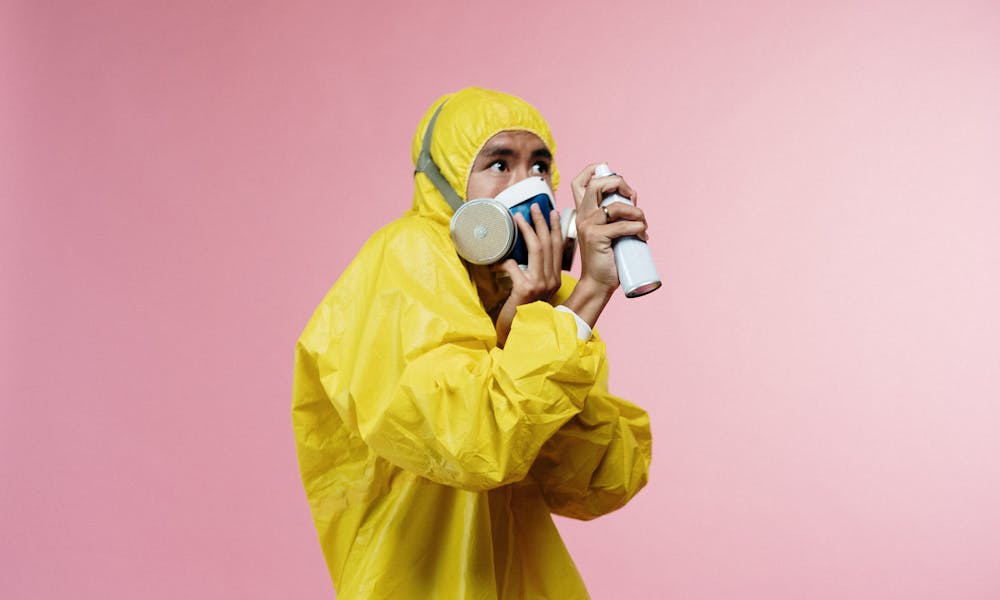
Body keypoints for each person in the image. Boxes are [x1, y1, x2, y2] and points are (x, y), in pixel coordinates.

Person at [292, 87, 653, 599]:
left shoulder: (545, 308)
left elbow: (599, 482)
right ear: (446, 173)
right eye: (499, 163)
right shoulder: (407, 256)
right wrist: (588, 296)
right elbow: (472, 440)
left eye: (539, 166)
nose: (526, 183)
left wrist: (546, 315)